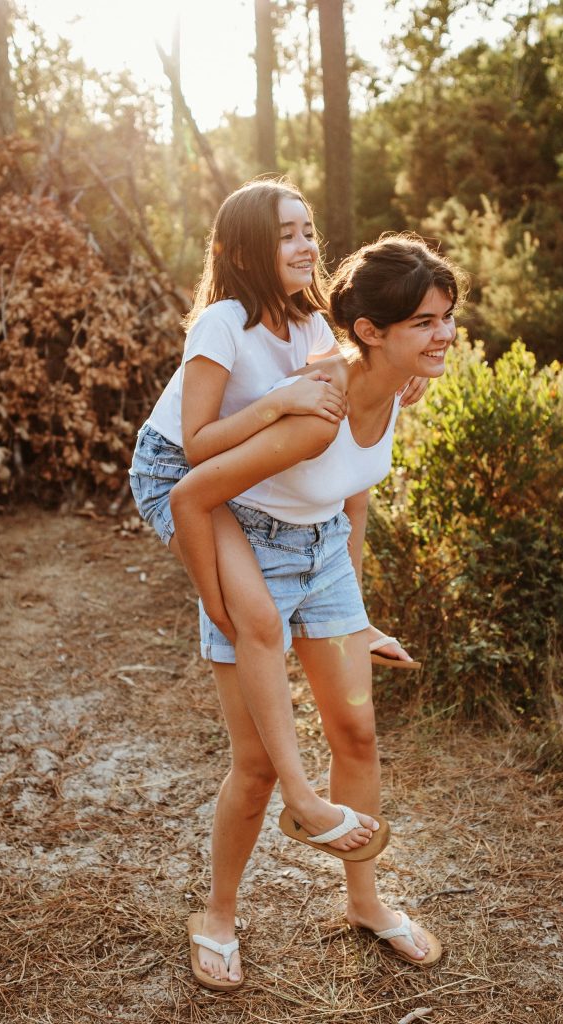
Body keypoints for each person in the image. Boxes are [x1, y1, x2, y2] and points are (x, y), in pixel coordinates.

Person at [169, 233, 464, 988]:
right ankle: (218, 915)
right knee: (258, 766)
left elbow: (352, 495)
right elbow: (193, 494)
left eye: (447, 317)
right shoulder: (318, 405)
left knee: (357, 735)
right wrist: (218, 604)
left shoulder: (395, 382)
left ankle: (365, 903)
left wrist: (356, 611)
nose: (444, 335)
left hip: (325, 555)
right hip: (255, 554)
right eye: (425, 322)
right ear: (370, 331)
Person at [130, 178, 418, 871]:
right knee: (255, 617)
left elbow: (348, 376)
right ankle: (300, 795)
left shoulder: (311, 323)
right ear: (244, 251)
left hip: (239, 473)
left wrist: (400, 372)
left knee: (268, 608)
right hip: (174, 471)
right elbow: (197, 443)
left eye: (309, 231)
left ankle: (314, 805)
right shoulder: (222, 322)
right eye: (286, 234)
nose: (305, 244)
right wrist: (278, 402)